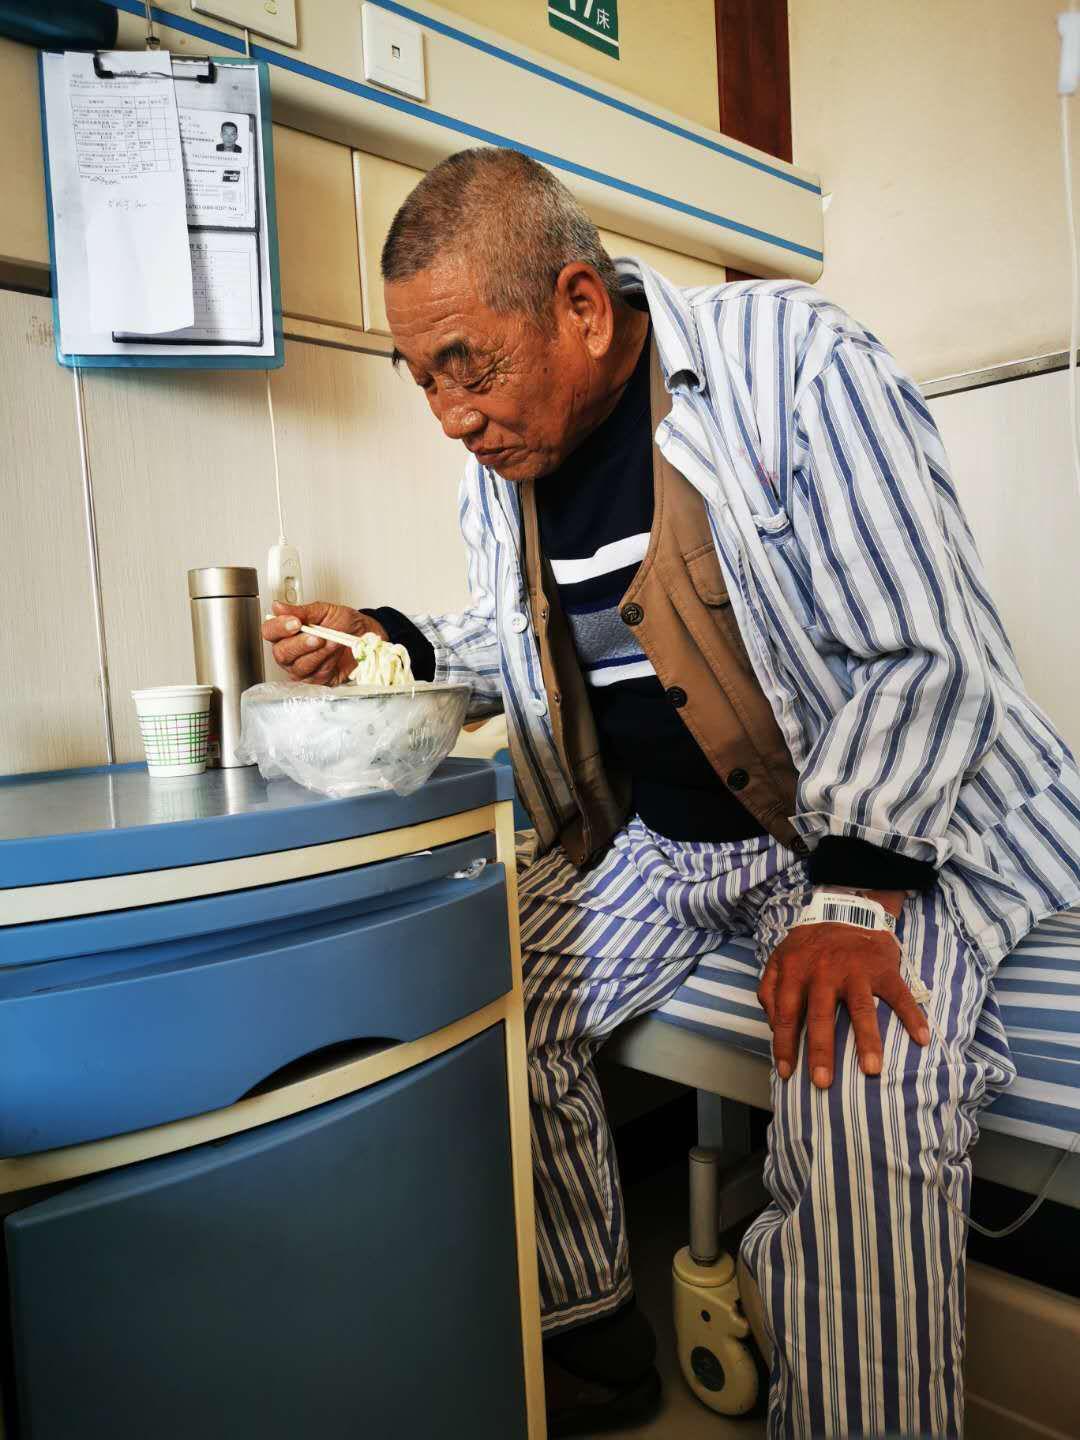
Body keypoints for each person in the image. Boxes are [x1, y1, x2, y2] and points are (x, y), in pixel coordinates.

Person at [263, 147, 1080, 1439]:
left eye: (468, 366)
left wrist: (853, 899)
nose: (451, 417)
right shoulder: (509, 466)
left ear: (583, 308)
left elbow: (927, 653)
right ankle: (589, 1329)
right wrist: (393, 642)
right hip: (675, 840)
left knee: (859, 1077)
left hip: (865, 823)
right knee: (493, 980)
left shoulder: (793, 366)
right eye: (422, 380)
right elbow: (537, 641)